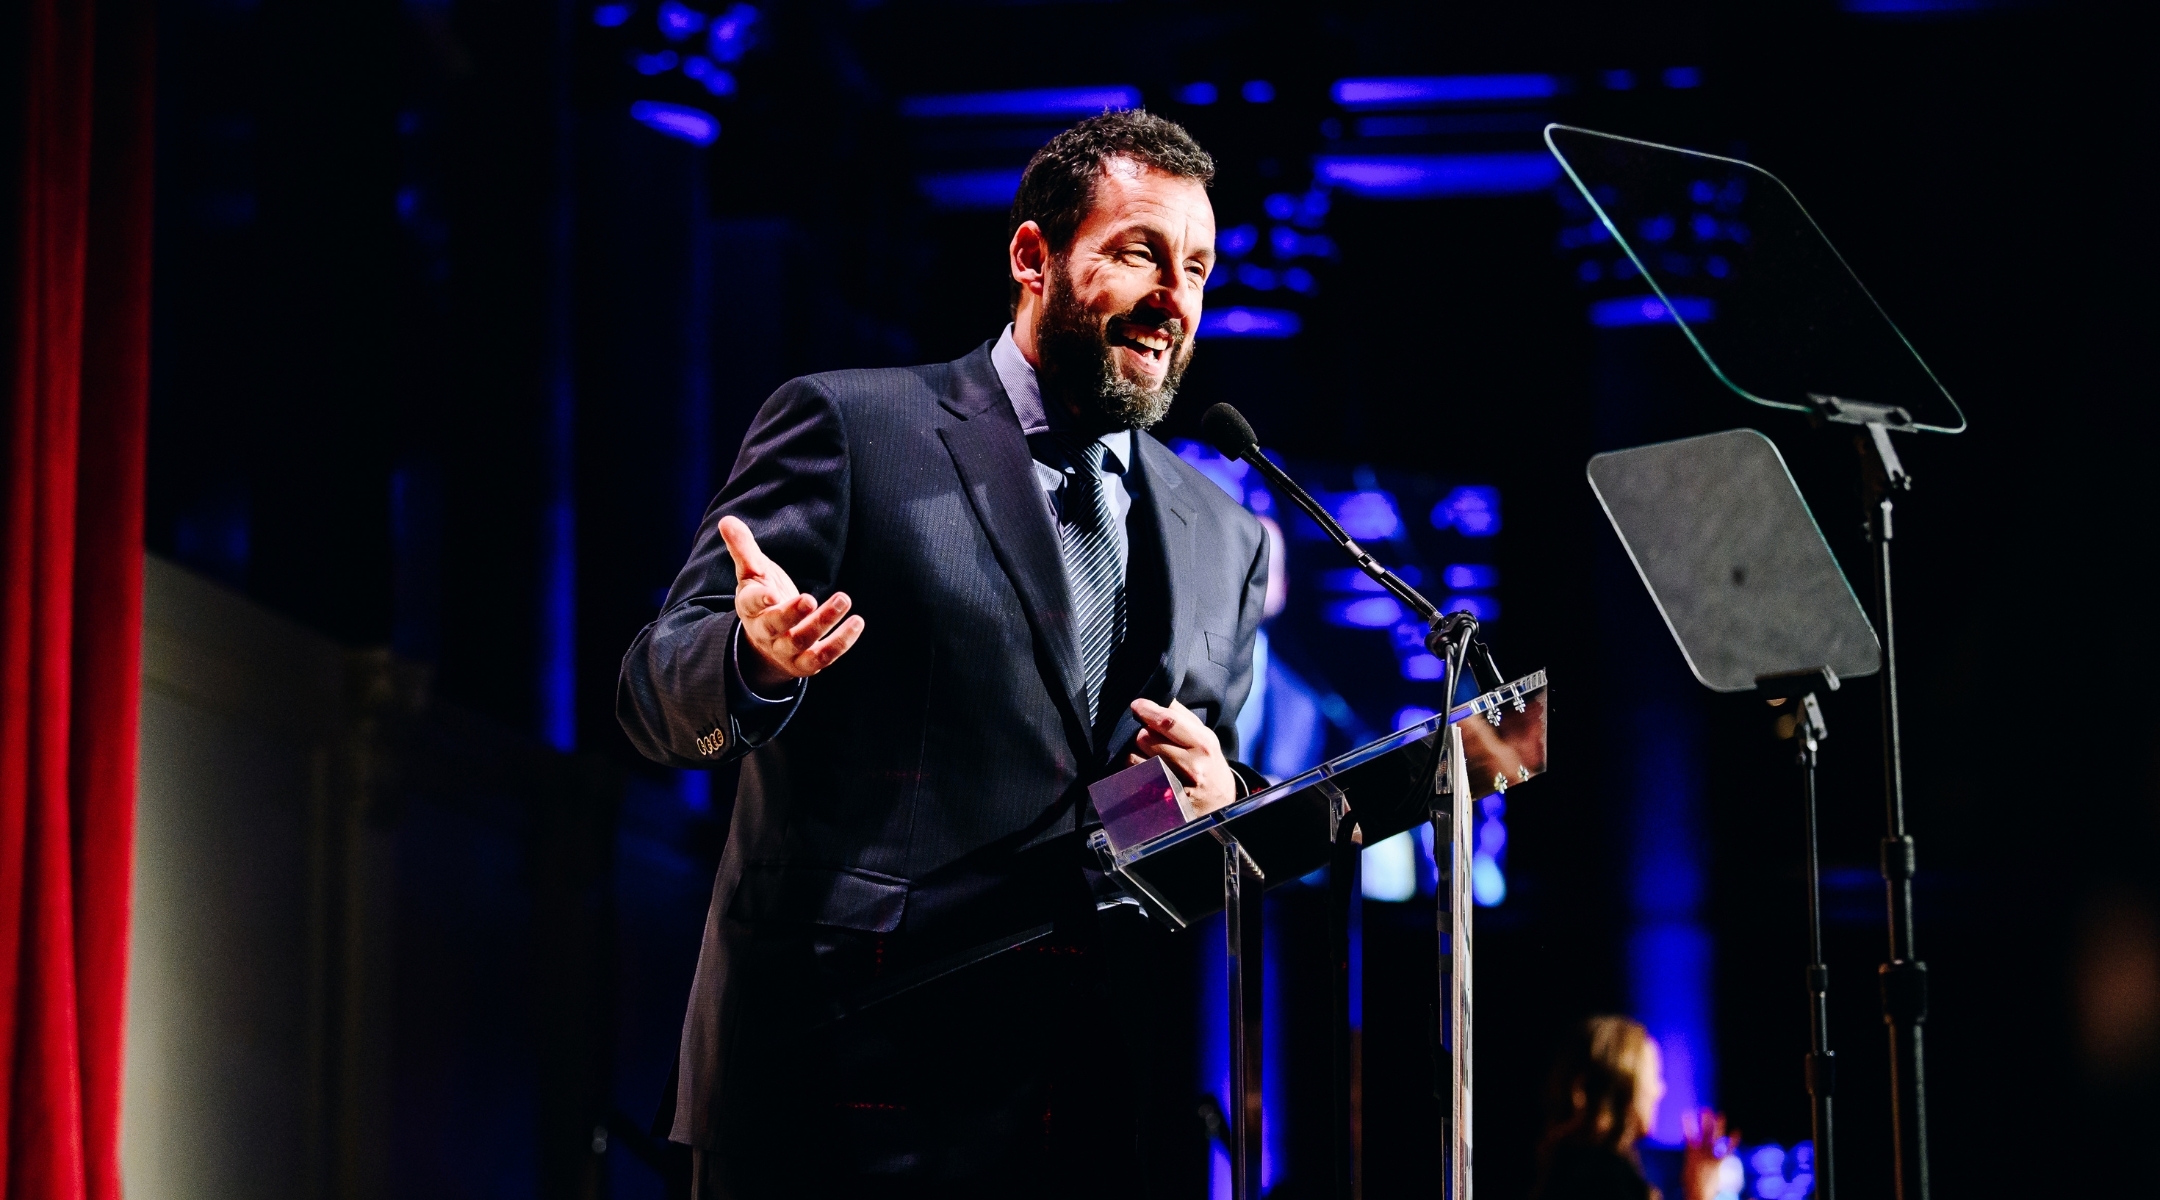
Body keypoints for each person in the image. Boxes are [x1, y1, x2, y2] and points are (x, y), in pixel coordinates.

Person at [616, 110, 1270, 1198]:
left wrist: (1219, 803)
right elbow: (652, 689)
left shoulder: (1226, 533)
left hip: (1087, 1108)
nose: (1177, 298)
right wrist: (754, 661)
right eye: (1141, 252)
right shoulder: (852, 427)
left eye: (1198, 266)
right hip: (844, 1091)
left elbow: (1191, 807)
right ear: (1031, 258)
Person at [1531, 1016, 1740, 1200]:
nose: (1659, 1090)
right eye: (1653, 1076)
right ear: (1621, 1084)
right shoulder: (1609, 1181)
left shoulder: (1564, 1168)